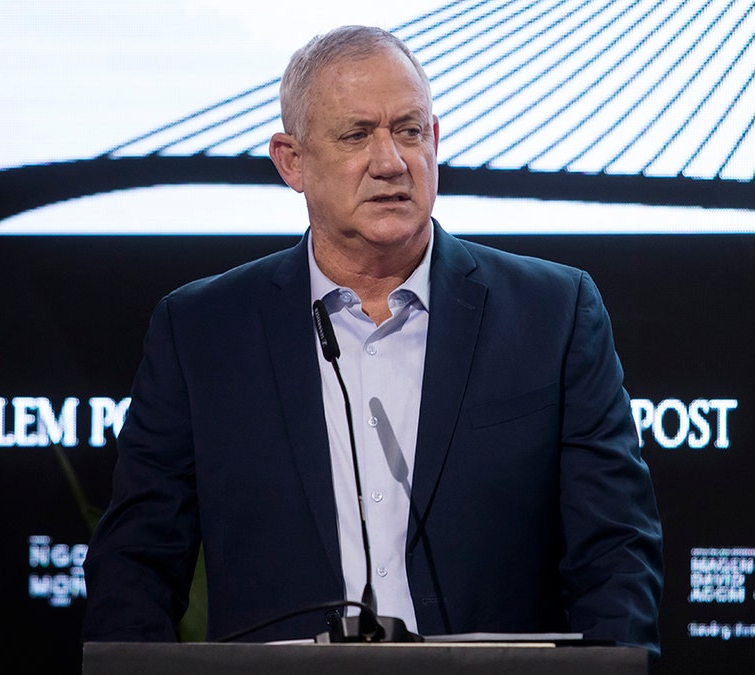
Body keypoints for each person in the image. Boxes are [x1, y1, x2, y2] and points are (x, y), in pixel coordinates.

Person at [81, 24, 663, 658]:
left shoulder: (554, 314)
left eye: (409, 130)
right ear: (291, 162)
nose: (391, 161)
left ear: (434, 139)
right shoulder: (201, 332)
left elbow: (616, 553)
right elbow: (135, 565)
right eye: (357, 135)